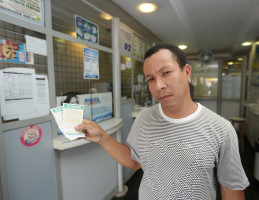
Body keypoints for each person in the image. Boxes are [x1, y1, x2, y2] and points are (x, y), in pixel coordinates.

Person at [75, 44, 249, 200]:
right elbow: (134, 160)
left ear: (187, 72)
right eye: (150, 79)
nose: (158, 86)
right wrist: (102, 138)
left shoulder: (222, 129)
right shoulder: (144, 119)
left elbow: (232, 189)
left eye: (166, 73)